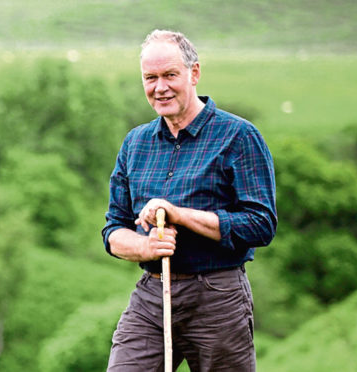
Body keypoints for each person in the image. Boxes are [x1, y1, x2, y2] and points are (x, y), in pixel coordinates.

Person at [102, 29, 277, 372]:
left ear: (194, 73)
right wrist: (147, 248)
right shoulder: (135, 143)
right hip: (151, 295)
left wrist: (178, 215)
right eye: (150, 78)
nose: (160, 87)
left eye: (170, 75)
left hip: (217, 296)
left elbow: (261, 225)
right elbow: (113, 230)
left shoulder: (238, 136)